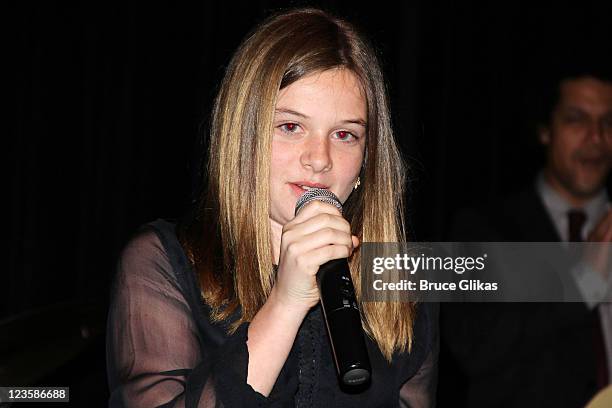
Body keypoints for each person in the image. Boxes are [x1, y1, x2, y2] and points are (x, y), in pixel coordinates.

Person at [106, 8, 438, 407]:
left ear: (367, 159)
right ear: (244, 136)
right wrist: (286, 303)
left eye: (345, 134)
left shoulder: (405, 286)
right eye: (291, 127)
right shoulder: (162, 262)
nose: (319, 158)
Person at [438, 68, 612, 407]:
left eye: (608, 122)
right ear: (545, 130)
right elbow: (474, 346)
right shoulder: (487, 227)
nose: (596, 138)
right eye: (577, 120)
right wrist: (585, 283)